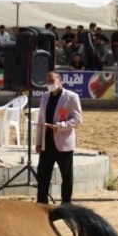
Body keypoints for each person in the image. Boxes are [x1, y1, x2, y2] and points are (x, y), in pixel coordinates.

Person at [35, 71, 82, 204]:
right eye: (48, 82)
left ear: (60, 81)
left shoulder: (71, 97)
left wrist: (60, 126)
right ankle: (42, 204)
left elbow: (78, 119)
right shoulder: (44, 97)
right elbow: (41, 120)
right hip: (47, 143)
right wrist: (38, 142)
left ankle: (66, 204)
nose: (50, 84)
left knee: (66, 177)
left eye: (52, 81)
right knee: (43, 176)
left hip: (63, 144)